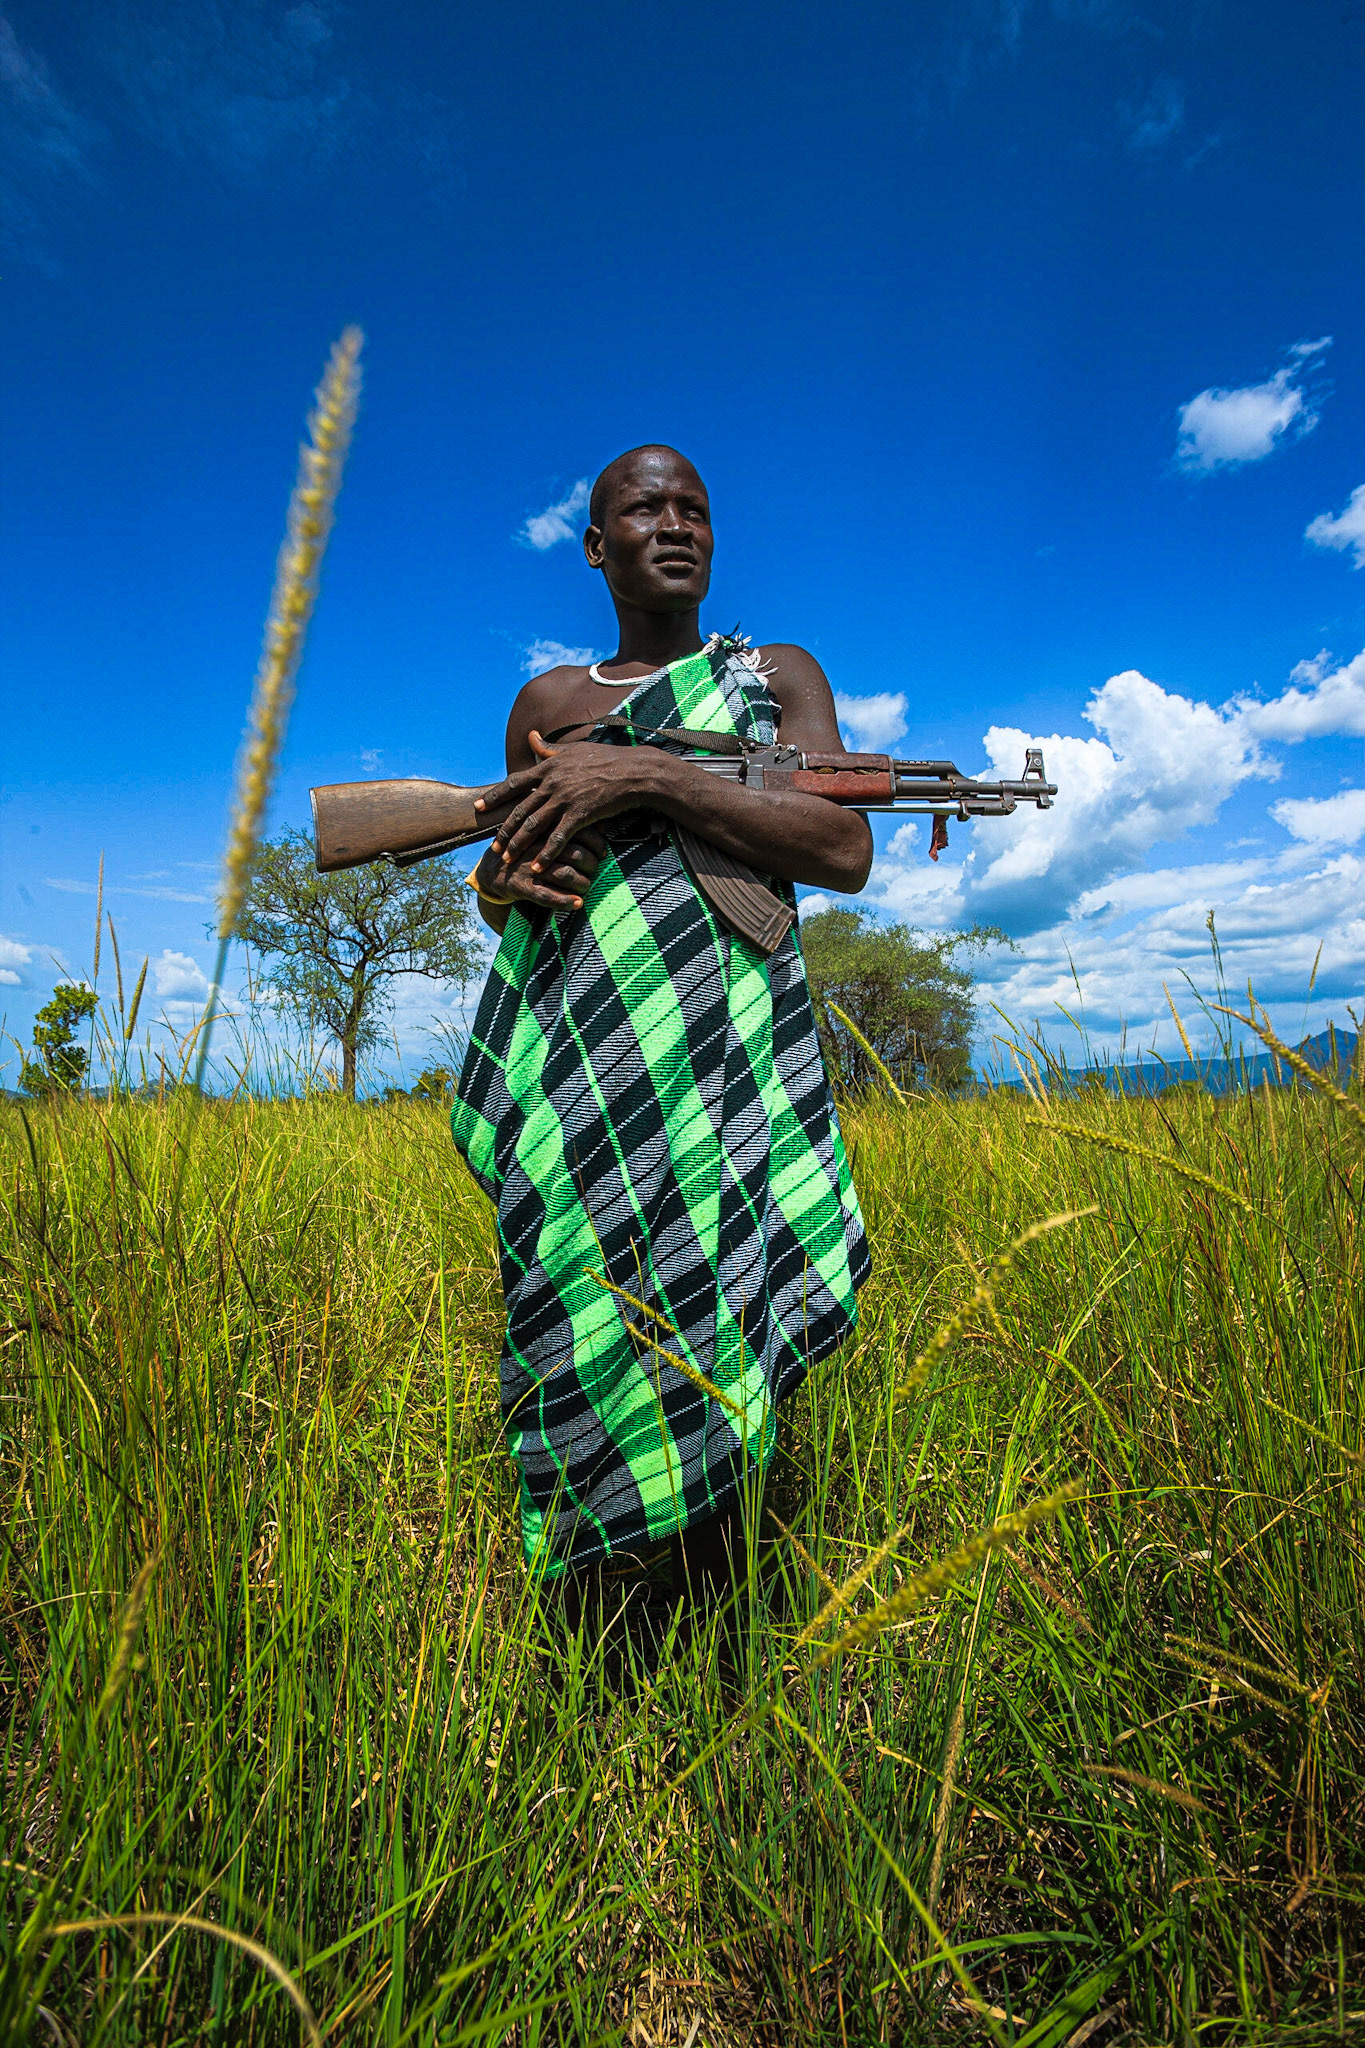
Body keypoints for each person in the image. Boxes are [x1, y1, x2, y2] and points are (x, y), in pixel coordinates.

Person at [450, 444, 872, 1630]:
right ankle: (596, 1611)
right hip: (591, 1060)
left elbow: (841, 847)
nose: (674, 525)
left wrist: (644, 774)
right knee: (584, 1300)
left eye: (694, 508)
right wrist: (516, 874)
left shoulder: (776, 674)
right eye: (644, 509)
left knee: (721, 1293)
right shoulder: (548, 705)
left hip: (727, 1070)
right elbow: (501, 885)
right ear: (596, 545)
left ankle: (719, 1609)